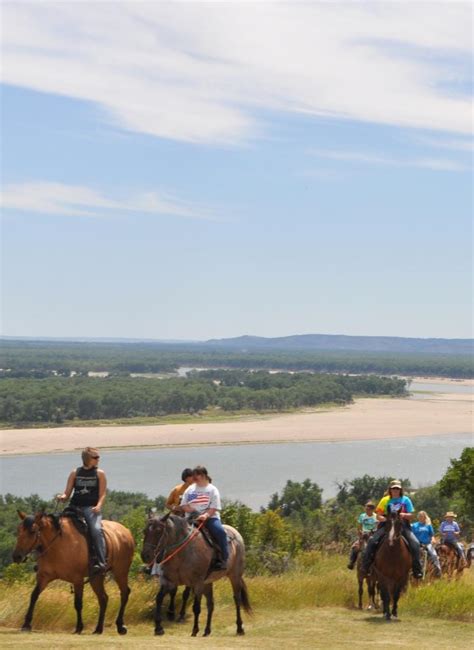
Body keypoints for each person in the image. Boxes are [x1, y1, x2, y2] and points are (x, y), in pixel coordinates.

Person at [57, 446, 107, 574]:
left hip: (91, 508)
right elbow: (67, 493)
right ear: (87, 459)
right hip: (74, 507)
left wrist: (99, 506)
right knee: (54, 525)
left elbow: (102, 494)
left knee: (96, 530)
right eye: (96, 457)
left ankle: (101, 562)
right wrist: (62, 497)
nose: (98, 459)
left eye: (98, 457)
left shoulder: (100, 474)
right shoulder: (75, 473)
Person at [361, 479, 423, 579]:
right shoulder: (385, 500)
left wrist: (403, 514)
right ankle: (366, 566)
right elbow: (378, 516)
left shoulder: (406, 500)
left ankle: (417, 569)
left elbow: (412, 515)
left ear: (400, 490)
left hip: (402, 526)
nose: (395, 490)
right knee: (372, 541)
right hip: (386, 526)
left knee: (415, 543)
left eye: (397, 489)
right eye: (394, 488)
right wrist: (385, 519)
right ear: (390, 489)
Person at [180, 465, 228, 571]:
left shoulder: (212, 490)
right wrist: (193, 511)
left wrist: (205, 515)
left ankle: (223, 559)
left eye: (197, 475)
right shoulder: (190, 489)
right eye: (194, 475)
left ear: (203, 475)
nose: (194, 478)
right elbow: (184, 505)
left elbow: (214, 507)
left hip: (210, 518)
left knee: (220, 532)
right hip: (191, 518)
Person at [347, 501, 377, 569]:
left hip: (372, 535)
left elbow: (377, 527)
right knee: (355, 547)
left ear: (372, 510)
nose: (367, 511)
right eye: (366, 509)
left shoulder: (375, 517)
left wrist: (372, 533)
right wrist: (360, 533)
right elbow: (359, 526)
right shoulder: (362, 516)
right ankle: (352, 562)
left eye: (368, 509)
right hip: (363, 534)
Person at [412, 511, 442, 577]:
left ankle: (438, 571)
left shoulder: (428, 525)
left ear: (425, 517)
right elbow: (412, 535)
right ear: (418, 517)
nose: (421, 517)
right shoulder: (414, 525)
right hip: (418, 544)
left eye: (422, 516)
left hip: (427, 543)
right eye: (420, 516)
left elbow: (432, 535)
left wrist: (433, 539)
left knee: (434, 555)